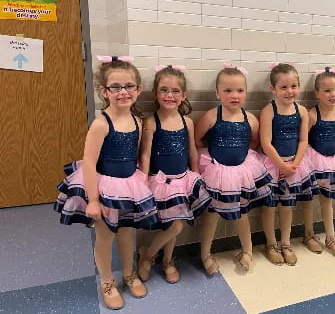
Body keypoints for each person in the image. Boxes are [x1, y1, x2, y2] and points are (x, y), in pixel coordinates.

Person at [54, 56, 156, 310]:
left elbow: (140, 151)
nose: (123, 92)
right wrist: (94, 200)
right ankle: (107, 281)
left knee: (125, 232)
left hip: (128, 184)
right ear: (104, 91)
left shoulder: (137, 120)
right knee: (105, 236)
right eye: (116, 87)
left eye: (129, 86)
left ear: (138, 89)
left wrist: (143, 174)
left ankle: (129, 274)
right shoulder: (101, 124)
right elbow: (89, 162)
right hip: (103, 186)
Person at [137, 65, 211, 284]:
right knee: (174, 225)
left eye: (175, 91)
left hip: (183, 181)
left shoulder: (187, 122)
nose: (170, 95)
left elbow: (192, 150)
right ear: (155, 94)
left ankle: (166, 259)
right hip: (160, 182)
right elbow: (146, 154)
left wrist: (196, 177)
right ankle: (149, 254)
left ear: (184, 95)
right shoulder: (151, 122)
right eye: (164, 90)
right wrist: (143, 179)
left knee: (174, 223)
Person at [195, 65, 272, 273]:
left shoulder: (250, 118)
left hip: (241, 173)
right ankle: (205, 254)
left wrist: (244, 159)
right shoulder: (212, 116)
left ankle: (247, 251)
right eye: (228, 91)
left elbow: (256, 142)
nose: (234, 95)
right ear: (217, 93)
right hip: (216, 173)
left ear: (246, 92)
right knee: (211, 215)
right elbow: (196, 140)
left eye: (239, 90)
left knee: (242, 213)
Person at [260, 63, 316, 266]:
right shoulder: (269, 111)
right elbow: (266, 143)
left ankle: (285, 242)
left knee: (287, 206)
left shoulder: (302, 111)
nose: (289, 91)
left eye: (293, 86)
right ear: (273, 89)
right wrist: (281, 166)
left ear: (299, 86)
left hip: (295, 164)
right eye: (283, 87)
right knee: (270, 206)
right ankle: (271, 243)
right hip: (272, 165)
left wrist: (295, 164)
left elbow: (303, 140)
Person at [301, 67, 335, 259]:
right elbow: (303, 139)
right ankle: (309, 234)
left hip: (331, 161)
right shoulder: (312, 115)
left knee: (327, 200)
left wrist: (334, 156)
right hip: (312, 161)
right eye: (328, 90)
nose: (333, 94)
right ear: (317, 93)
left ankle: (331, 237)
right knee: (308, 199)